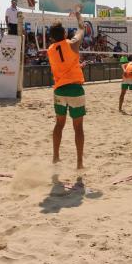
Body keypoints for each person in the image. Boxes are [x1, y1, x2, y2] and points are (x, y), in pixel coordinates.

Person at [47, 11, 86, 169]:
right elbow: (81, 30)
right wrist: (78, 16)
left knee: (59, 125)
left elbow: (61, 65)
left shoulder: (50, 49)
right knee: (78, 128)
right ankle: (79, 163)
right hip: (75, 89)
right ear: (64, 33)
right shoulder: (71, 44)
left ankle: (56, 157)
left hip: (60, 90)